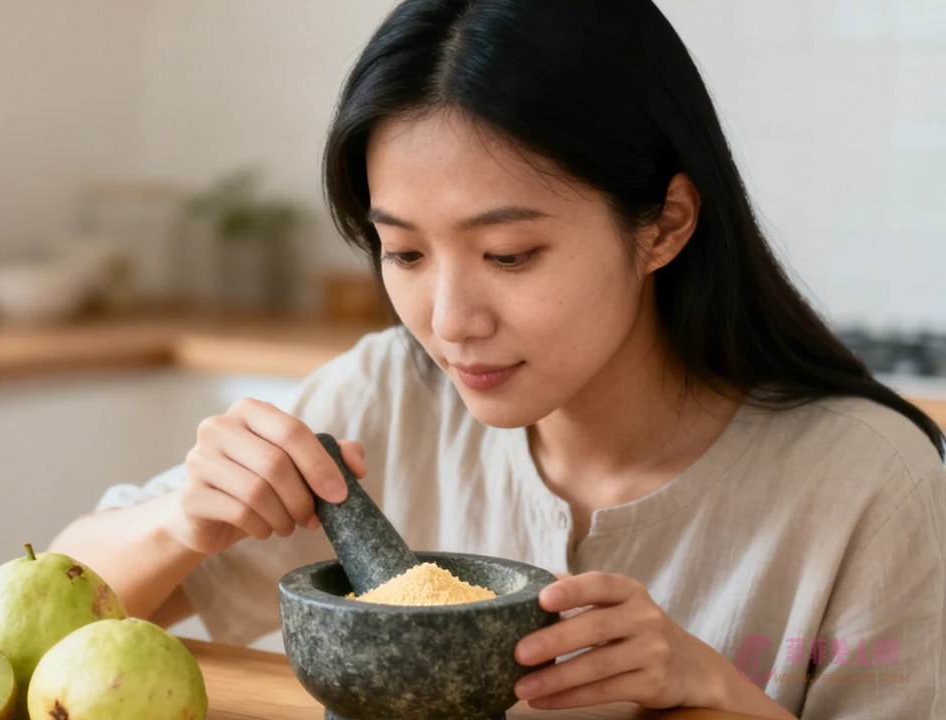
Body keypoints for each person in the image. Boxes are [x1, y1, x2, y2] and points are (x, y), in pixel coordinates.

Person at [48, 1, 946, 717]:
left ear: (665, 223)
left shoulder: (871, 486)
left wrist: (717, 692)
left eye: (510, 255)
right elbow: (55, 614)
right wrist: (179, 523)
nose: (449, 322)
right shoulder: (384, 395)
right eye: (403, 253)